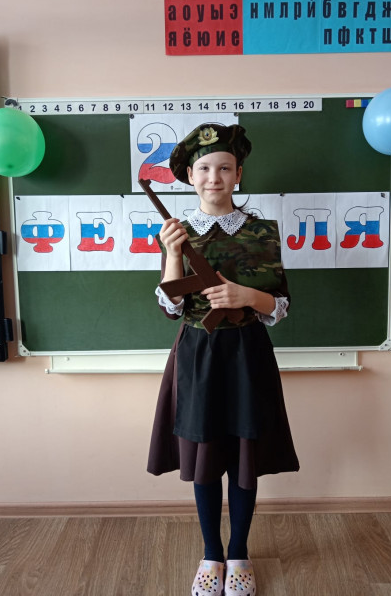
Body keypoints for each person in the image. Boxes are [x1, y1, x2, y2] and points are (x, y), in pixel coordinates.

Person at [147, 123, 299, 596]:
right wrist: (173, 253)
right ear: (190, 176)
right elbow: (171, 306)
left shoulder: (262, 232)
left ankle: (239, 555)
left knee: (244, 457)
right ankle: (211, 554)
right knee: (205, 455)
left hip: (247, 354)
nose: (215, 177)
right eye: (205, 169)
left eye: (225, 168)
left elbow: (279, 306)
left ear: (238, 174)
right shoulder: (176, 232)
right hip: (198, 355)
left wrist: (245, 295)